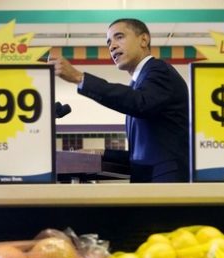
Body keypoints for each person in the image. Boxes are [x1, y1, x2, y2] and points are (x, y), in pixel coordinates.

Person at [49, 18, 190, 183]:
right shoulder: (139, 83)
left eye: (119, 37)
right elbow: (141, 155)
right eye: (109, 42)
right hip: (151, 183)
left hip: (167, 184)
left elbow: (139, 102)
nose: (112, 46)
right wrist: (101, 152)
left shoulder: (158, 70)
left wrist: (79, 78)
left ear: (144, 40)